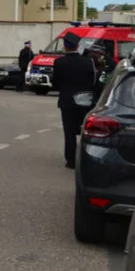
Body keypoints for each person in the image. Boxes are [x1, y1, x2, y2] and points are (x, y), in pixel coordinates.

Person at [52, 32, 97, 169]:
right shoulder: (88, 62)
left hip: (67, 102)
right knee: (86, 132)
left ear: (65, 47)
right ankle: (87, 158)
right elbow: (93, 82)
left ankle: (71, 161)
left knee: (69, 133)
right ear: (78, 46)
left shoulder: (59, 62)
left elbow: (55, 83)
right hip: (85, 102)